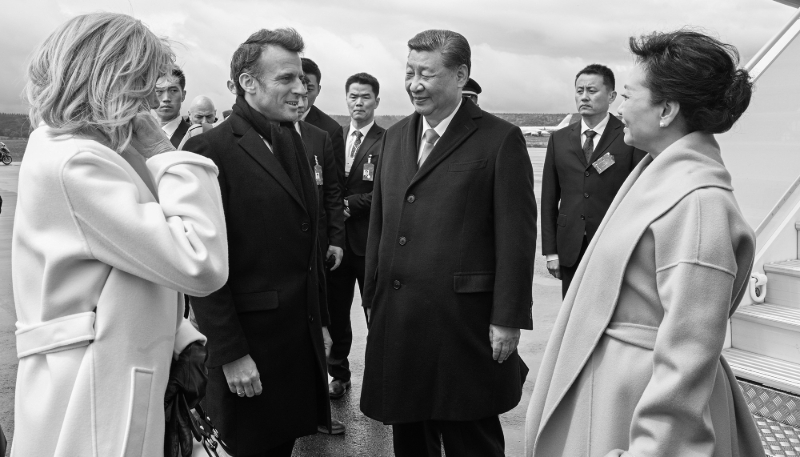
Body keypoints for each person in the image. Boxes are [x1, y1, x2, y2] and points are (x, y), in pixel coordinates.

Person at [525, 30, 764, 457]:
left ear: (667, 110)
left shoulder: (698, 205)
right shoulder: (660, 176)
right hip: (619, 394)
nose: (618, 107)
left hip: (636, 411)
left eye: (629, 95)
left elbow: (689, 356)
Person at [11, 12, 228, 456]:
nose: (151, 97)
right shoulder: (77, 162)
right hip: (92, 392)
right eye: (144, 80)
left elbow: (122, 270)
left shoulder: (71, 147)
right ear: (112, 75)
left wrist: (180, 337)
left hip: (102, 374)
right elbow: (200, 261)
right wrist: (164, 152)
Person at [360, 29, 537, 457]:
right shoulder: (394, 136)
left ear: (461, 76)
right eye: (409, 72)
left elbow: (517, 236)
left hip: (463, 320)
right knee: (410, 434)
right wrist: (373, 295)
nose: (415, 84)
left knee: (469, 436)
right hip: (400, 318)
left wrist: (507, 318)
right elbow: (380, 224)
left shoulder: (499, 140)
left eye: (426, 73)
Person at [184, 28, 335, 456]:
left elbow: (308, 244)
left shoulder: (291, 140)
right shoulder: (209, 149)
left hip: (292, 347)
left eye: (302, 79)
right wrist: (230, 353)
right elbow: (202, 266)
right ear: (248, 82)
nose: (300, 88)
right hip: (247, 351)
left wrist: (319, 323)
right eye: (286, 78)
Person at [541, 64, 646, 297]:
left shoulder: (629, 137)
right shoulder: (559, 139)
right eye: (579, 91)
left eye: (592, 90)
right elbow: (549, 199)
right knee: (570, 315)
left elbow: (639, 196)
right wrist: (551, 252)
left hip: (613, 245)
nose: (584, 97)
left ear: (611, 96)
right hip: (570, 247)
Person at [326, 72, 385, 399]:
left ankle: (379, 376)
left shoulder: (386, 140)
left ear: (377, 101)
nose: (358, 102)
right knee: (336, 313)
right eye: (353, 96)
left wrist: (352, 204)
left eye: (365, 97)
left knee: (374, 311)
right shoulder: (335, 136)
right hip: (337, 243)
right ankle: (339, 373)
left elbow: (386, 191)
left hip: (368, 242)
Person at [300, 58, 346, 187]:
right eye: (298, 86)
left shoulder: (330, 129)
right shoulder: (272, 119)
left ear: (318, 90)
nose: (302, 94)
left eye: (309, 89)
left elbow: (335, 184)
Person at [153, 67, 192, 148]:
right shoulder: (138, 135)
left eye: (173, 90)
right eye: (159, 91)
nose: (166, 98)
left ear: (183, 95)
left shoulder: (193, 136)